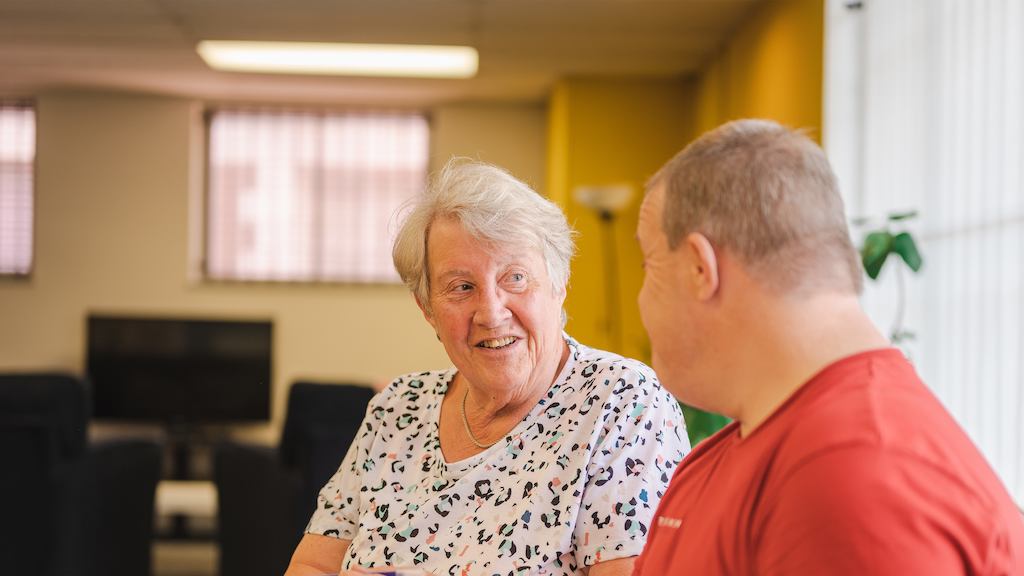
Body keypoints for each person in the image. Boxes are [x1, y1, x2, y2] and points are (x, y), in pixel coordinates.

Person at [632, 119, 1024, 574]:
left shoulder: (852, 476)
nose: (641, 298)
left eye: (649, 264)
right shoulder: (730, 457)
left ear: (701, 268)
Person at [286, 159, 690, 576]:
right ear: (428, 310)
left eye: (515, 277)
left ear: (558, 285)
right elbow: (314, 564)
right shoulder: (396, 409)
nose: (492, 313)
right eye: (461, 287)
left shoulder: (623, 402)